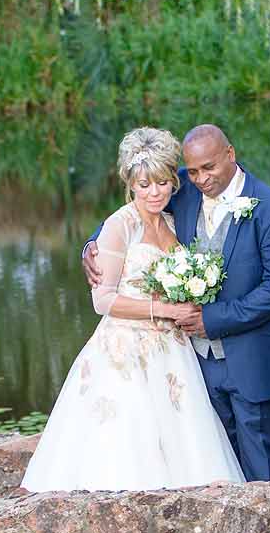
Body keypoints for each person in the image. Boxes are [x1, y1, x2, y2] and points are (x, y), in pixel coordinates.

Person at [20, 126, 247, 492]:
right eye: (144, 185)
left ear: (174, 181)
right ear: (131, 184)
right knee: (129, 436)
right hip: (125, 350)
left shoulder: (174, 222)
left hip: (173, 351)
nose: (154, 193)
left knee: (184, 437)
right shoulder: (119, 225)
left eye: (161, 183)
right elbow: (103, 300)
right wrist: (167, 309)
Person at [83, 122, 270, 483]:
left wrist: (212, 319)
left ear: (230, 155)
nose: (201, 178)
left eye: (209, 168)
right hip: (193, 364)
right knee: (212, 467)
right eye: (194, 170)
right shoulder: (181, 187)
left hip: (254, 362)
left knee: (263, 472)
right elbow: (134, 210)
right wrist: (90, 247)